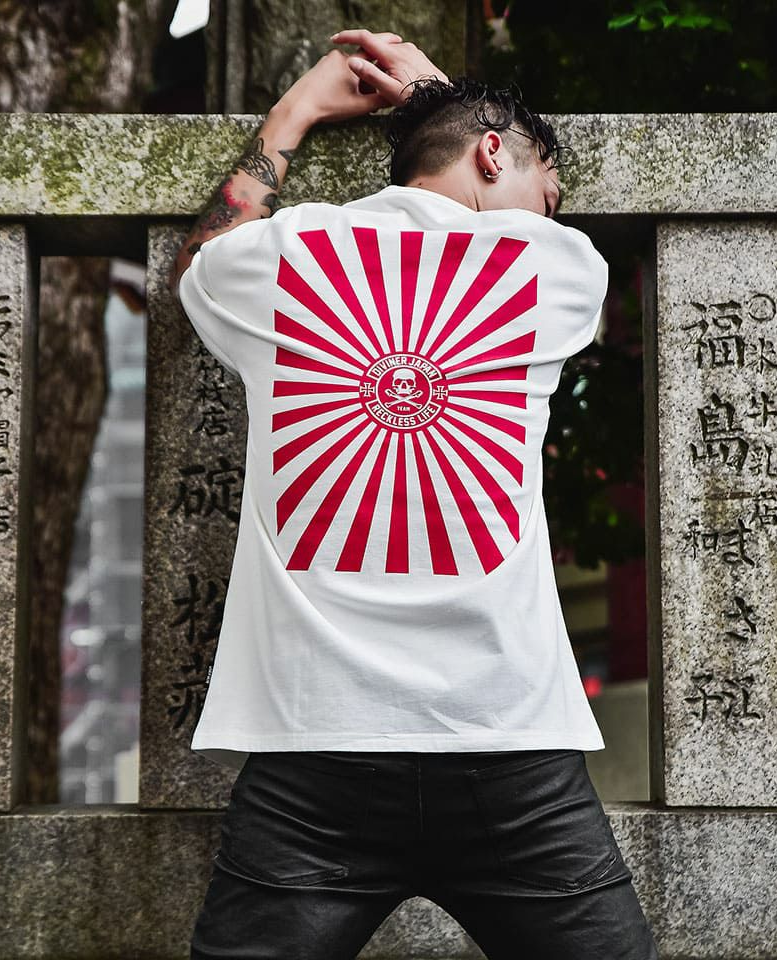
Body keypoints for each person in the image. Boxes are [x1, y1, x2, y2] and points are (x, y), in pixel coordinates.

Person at [170, 28, 660, 960]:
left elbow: (198, 262)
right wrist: (446, 97)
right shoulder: (556, 269)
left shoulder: (282, 257)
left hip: (310, 751)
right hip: (510, 747)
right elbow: (504, 189)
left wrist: (296, 113)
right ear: (493, 154)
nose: (548, 211)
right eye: (547, 189)